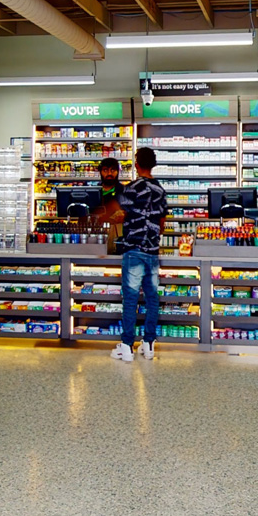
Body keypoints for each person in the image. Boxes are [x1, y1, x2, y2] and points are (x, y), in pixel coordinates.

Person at [111, 146, 168, 362]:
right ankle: (149, 344)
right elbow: (162, 224)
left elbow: (120, 215)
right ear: (153, 164)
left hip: (133, 250)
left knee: (131, 299)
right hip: (152, 251)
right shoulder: (161, 190)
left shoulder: (131, 188)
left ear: (136, 163)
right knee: (152, 299)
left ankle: (127, 346)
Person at [93, 157, 125, 254]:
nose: (109, 173)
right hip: (96, 238)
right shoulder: (94, 192)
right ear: (100, 172)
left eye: (113, 170)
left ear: (118, 172)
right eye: (105, 170)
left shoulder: (125, 191)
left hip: (118, 238)